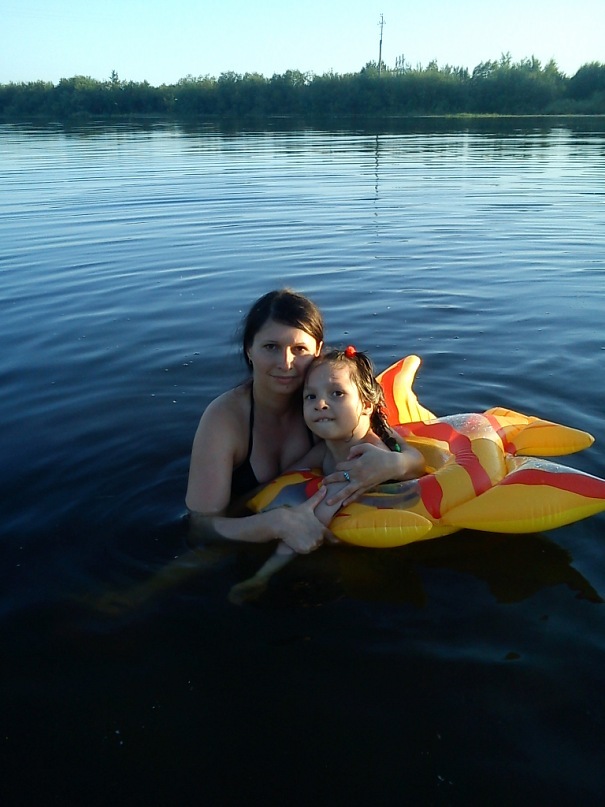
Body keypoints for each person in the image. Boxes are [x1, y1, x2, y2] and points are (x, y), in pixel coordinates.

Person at [186, 289, 424, 557]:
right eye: (271, 347)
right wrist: (275, 524)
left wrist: (396, 464)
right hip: (244, 542)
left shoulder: (329, 406)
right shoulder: (225, 420)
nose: (285, 363)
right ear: (249, 349)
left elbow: (397, 446)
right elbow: (200, 526)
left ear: (318, 351)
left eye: (299, 349)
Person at [228, 345, 425, 603]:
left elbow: (312, 520)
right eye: (310, 396)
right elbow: (286, 477)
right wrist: (244, 502)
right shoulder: (327, 449)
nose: (320, 404)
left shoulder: (363, 459)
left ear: (367, 405)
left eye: (337, 394)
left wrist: (262, 576)